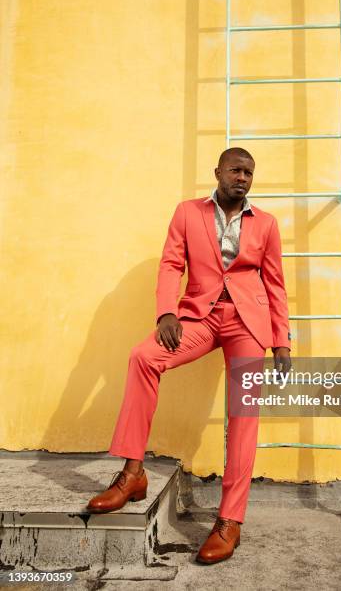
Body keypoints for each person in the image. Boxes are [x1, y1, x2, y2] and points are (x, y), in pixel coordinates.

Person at [86, 147, 292, 564]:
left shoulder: (266, 224)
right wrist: (166, 312)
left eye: (249, 173)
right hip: (198, 316)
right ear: (218, 172)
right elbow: (170, 264)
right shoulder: (187, 212)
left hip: (248, 323)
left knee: (244, 415)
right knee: (144, 357)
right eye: (236, 170)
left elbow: (275, 284)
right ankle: (132, 473)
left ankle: (230, 520)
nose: (243, 177)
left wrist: (281, 341)